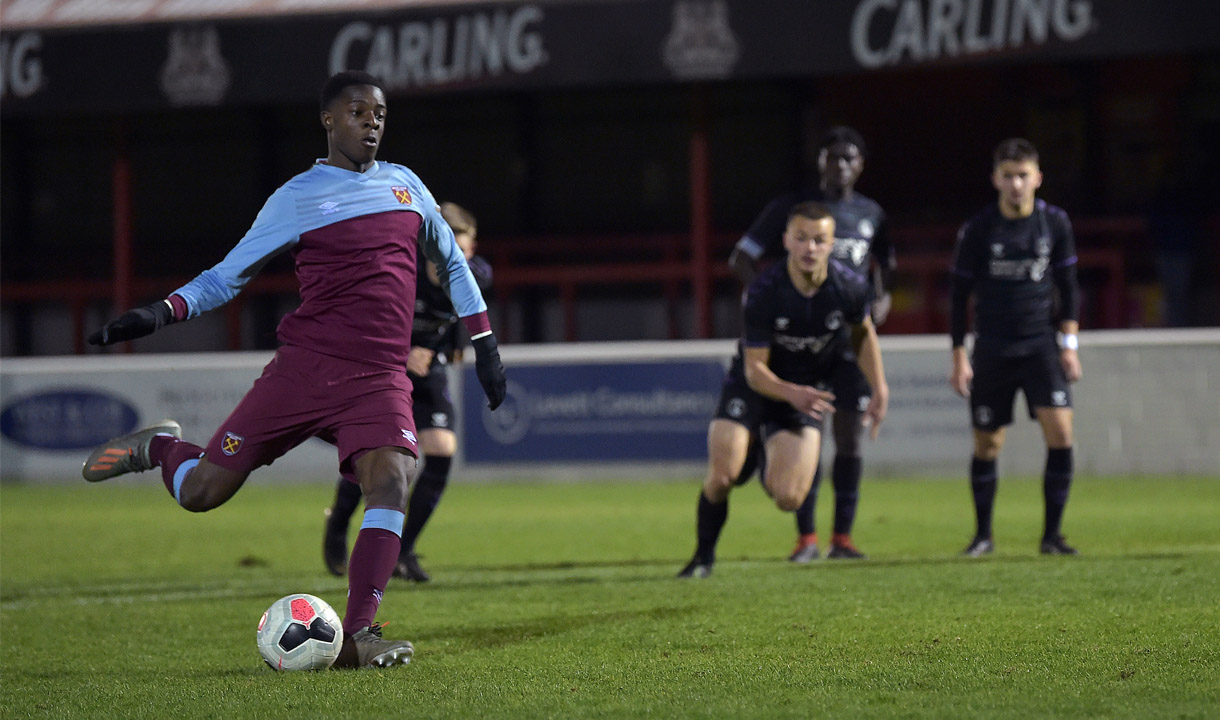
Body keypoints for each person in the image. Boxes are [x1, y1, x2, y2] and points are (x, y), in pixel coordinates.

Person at [80, 71, 507, 669]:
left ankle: (359, 635)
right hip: (306, 371)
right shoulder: (298, 196)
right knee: (203, 493)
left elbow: (454, 268)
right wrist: (157, 313)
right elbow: (226, 277)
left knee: (391, 481)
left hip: (380, 377)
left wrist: (485, 345)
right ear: (329, 121)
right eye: (358, 112)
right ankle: (160, 449)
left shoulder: (406, 186)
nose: (372, 123)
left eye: (379, 113)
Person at [678, 201, 889, 578]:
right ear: (786, 241)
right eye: (801, 238)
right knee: (723, 476)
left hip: (801, 393)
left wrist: (880, 387)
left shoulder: (850, 287)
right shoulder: (763, 291)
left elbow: (862, 334)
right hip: (754, 387)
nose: (810, 247)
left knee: (790, 499)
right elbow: (756, 369)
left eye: (819, 240)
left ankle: (758, 453)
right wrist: (792, 393)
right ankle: (702, 557)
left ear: (831, 244)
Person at [729, 126, 894, 562]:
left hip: (844, 345)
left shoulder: (871, 214)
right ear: (819, 162)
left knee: (850, 439)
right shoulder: (791, 210)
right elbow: (742, 256)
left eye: (849, 157)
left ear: (860, 164)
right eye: (832, 157)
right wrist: (763, 298)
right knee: (809, 436)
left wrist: (881, 300)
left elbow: (886, 266)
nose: (840, 165)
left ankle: (842, 538)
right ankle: (806, 538)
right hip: (797, 342)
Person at [323, 201, 491, 582]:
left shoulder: (474, 275)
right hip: (382, 368)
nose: (466, 259)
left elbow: (470, 308)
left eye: (470, 250)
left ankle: (404, 550)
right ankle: (337, 526)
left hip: (428, 371)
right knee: (378, 456)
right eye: (458, 251)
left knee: (442, 450)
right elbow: (359, 326)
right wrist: (402, 352)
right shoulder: (399, 275)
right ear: (435, 248)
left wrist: (455, 340)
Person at [949, 137, 1081, 558]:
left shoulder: (1055, 224)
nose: (1016, 184)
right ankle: (983, 536)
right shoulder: (979, 228)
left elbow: (1068, 287)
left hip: (1040, 343)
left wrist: (1070, 343)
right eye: (1008, 176)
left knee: (1060, 433)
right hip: (992, 347)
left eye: (1023, 175)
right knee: (988, 444)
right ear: (995, 179)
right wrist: (958, 355)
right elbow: (958, 296)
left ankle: (1052, 537)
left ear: (1037, 177)